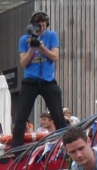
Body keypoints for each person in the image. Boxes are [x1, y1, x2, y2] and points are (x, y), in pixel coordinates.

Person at [12, 11, 67, 150]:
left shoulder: (51, 36)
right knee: (20, 117)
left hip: (48, 80)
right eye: (39, 26)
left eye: (44, 26)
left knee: (58, 115)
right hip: (30, 80)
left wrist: (42, 47)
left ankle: (66, 144)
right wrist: (32, 48)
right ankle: (15, 150)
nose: (42, 29)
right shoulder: (24, 39)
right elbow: (23, 63)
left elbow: (55, 57)